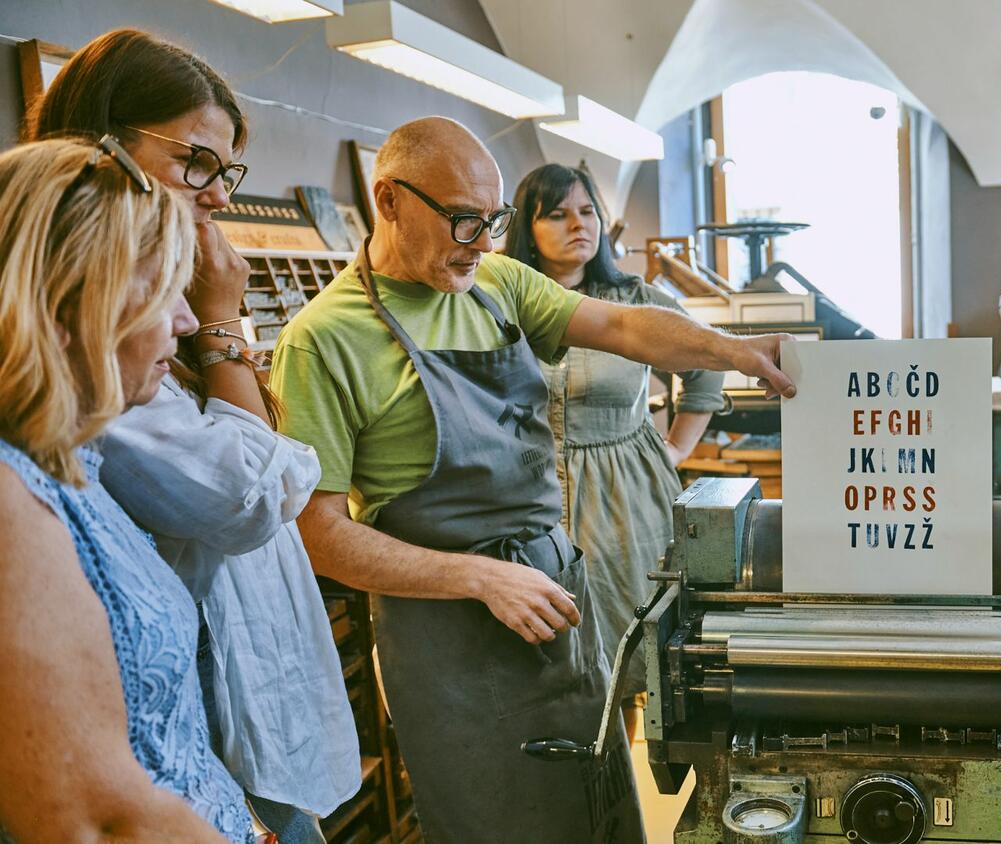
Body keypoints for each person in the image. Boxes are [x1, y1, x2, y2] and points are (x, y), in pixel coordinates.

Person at [270, 116, 793, 844]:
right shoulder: (322, 341)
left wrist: (729, 350)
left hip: (554, 610)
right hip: (450, 637)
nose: (481, 241)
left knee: (596, 810)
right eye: (461, 220)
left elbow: (621, 328)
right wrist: (480, 578)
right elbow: (320, 536)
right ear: (387, 201)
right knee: (499, 823)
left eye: (492, 220)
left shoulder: (498, 284)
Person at [29, 29, 360, 841]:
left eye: (224, 168)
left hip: (236, 728)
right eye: (195, 162)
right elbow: (245, 495)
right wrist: (220, 325)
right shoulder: (86, 338)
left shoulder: (146, 323)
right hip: (200, 724)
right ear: (108, 148)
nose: (216, 194)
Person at [0, 136, 252, 842]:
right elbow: (99, 821)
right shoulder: (7, 501)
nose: (187, 320)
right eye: (163, 289)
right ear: (68, 305)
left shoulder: (64, 464)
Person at [506, 163, 726, 739]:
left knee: (624, 654)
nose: (578, 225)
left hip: (625, 497)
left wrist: (674, 451)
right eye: (556, 214)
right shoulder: (503, 302)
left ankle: (615, 792)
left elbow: (703, 374)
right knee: (544, 653)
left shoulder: (635, 300)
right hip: (527, 492)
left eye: (587, 212)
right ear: (528, 227)